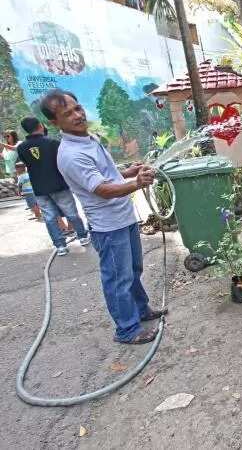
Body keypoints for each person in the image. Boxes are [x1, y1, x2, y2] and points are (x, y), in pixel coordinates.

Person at [41, 89, 166, 345]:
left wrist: (128, 171)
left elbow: (105, 174)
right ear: (54, 122)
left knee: (132, 270)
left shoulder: (89, 139)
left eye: (77, 108)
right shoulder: (71, 154)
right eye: (68, 113)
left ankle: (141, 310)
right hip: (108, 227)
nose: (78, 115)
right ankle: (127, 330)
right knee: (118, 279)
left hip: (124, 218)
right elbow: (102, 189)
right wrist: (137, 183)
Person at [17, 116, 90, 256]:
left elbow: (27, 164)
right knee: (71, 213)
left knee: (49, 218)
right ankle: (82, 236)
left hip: (39, 188)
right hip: (58, 185)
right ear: (40, 125)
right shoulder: (53, 143)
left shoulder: (21, 148)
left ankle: (60, 246)